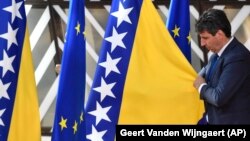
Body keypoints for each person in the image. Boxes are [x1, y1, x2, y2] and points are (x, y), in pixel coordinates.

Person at [193, 8, 250, 124]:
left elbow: (218, 98)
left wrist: (200, 86)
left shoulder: (238, 57)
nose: (202, 43)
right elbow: (201, 76)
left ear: (219, 34)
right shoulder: (216, 56)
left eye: (205, 38)